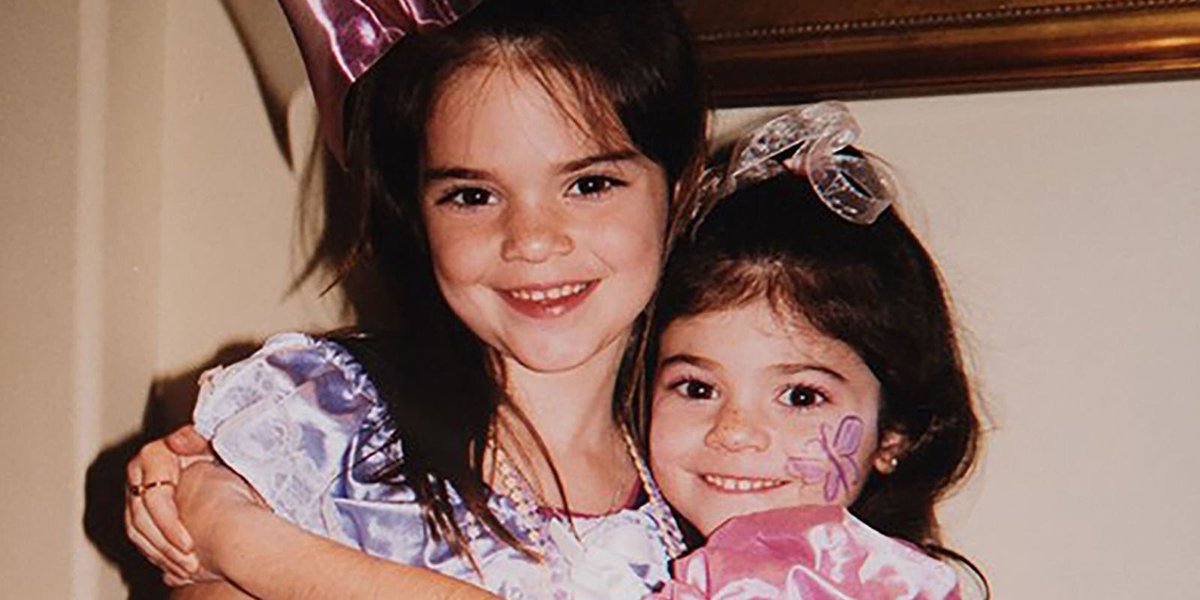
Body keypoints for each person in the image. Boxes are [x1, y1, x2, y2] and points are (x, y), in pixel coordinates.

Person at [124, 0, 706, 597]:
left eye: (589, 184)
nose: (531, 241)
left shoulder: (709, 477)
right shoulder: (325, 436)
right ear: (418, 212)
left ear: (679, 183)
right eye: (473, 196)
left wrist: (242, 539)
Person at [642, 104, 986, 598]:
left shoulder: (884, 588)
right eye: (697, 388)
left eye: (801, 397)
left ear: (893, 435)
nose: (735, 432)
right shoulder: (619, 555)